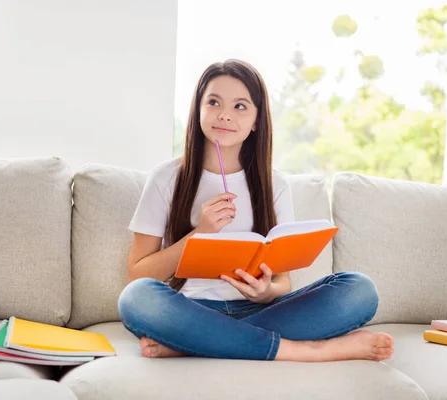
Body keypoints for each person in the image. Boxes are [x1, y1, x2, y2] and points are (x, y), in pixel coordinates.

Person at [118, 59, 394, 362]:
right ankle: (303, 351)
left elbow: (282, 282)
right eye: (213, 102)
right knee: (136, 298)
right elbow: (137, 275)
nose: (224, 115)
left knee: (359, 289)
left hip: (258, 309)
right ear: (198, 110)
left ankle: (191, 343)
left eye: (240, 106)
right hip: (190, 308)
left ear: (257, 121)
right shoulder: (166, 178)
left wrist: (265, 292)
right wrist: (200, 234)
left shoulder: (274, 184)